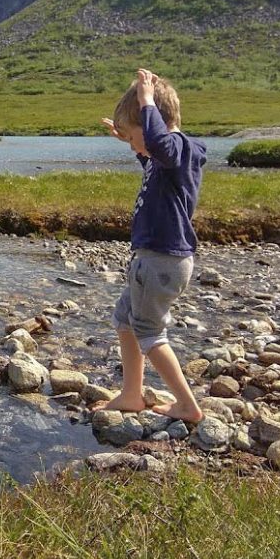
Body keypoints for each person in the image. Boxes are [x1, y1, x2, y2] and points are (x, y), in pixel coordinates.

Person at [100, 69, 206, 422]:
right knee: (124, 320)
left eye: (134, 137)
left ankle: (187, 405)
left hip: (162, 261)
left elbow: (160, 145)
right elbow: (152, 152)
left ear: (153, 123)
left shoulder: (177, 148)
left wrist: (146, 101)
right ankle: (131, 394)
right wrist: (127, 137)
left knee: (148, 330)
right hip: (150, 260)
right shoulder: (166, 157)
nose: (133, 146)